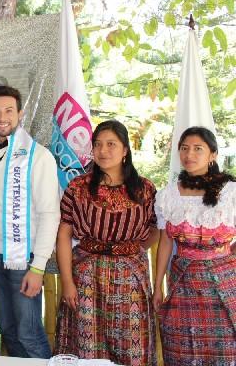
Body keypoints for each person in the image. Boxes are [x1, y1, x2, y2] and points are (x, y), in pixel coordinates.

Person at [54, 120, 158, 365]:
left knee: (133, 344)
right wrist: (68, 283)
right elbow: (64, 234)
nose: (103, 151)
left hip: (131, 278)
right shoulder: (78, 187)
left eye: (111, 144)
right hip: (87, 278)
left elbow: (156, 230)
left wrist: (134, 251)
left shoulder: (145, 189)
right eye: (98, 144)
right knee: (87, 346)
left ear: (125, 150)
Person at [0, 85, 60, 358]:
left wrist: (38, 268)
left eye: (9, 110)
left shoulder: (39, 156)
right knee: (9, 333)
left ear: (20, 113)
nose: (2, 117)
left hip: (24, 262)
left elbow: (50, 214)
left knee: (29, 333)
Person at [153, 126, 236, 365]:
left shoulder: (231, 192)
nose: (189, 154)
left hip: (224, 281)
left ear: (213, 155)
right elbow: (166, 242)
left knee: (226, 347)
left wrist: (226, 255)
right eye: (184, 148)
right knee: (180, 346)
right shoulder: (168, 195)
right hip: (183, 282)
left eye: (198, 149)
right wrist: (158, 286)